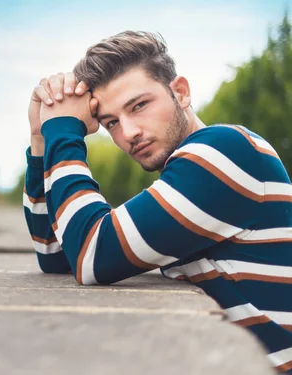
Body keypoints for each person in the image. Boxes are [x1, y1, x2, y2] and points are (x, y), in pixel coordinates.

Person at [23, 30, 292, 374]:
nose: (129, 132)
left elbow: (90, 253)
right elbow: (56, 254)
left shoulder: (227, 151)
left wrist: (63, 129)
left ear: (180, 92)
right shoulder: (188, 174)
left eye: (139, 105)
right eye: (111, 123)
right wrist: (40, 137)